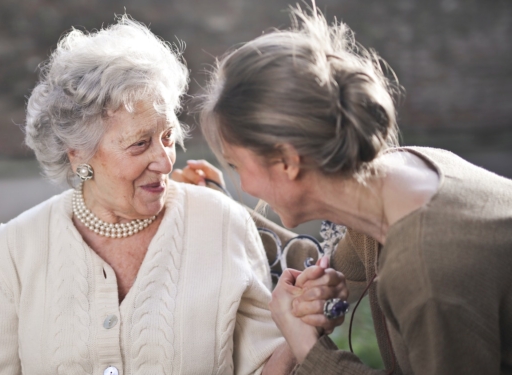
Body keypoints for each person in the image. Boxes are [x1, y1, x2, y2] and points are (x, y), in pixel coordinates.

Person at [0, 16, 344, 375]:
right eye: (140, 144)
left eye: (167, 137)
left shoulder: (221, 222)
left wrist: (298, 329)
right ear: (78, 152)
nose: (165, 161)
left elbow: (262, 368)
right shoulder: (15, 247)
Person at [190, 5, 512, 375]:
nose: (243, 185)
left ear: (287, 161)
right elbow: (321, 271)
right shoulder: (401, 175)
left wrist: (309, 348)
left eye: (236, 166)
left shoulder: (426, 270)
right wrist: (213, 204)